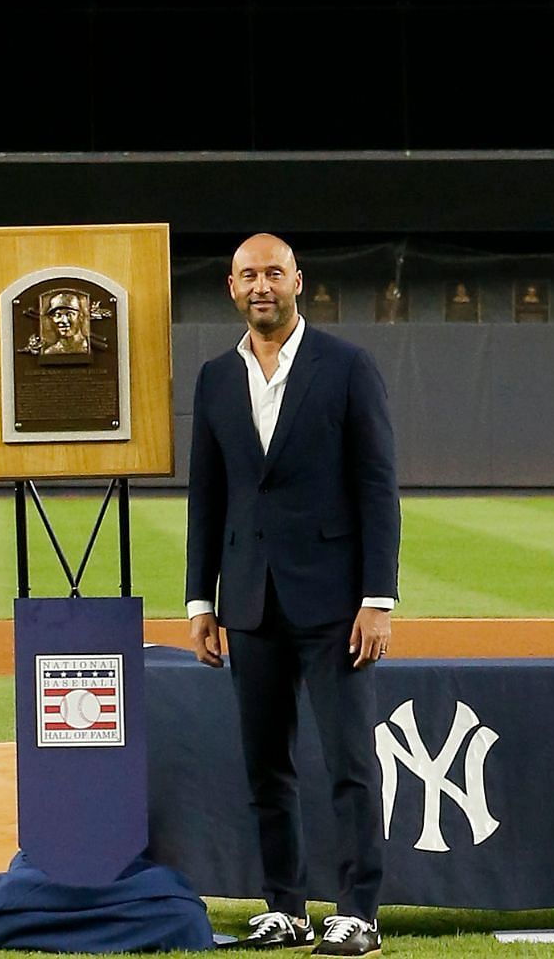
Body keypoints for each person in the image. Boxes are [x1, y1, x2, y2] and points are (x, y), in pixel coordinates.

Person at [185, 233, 399, 957]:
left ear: (299, 281)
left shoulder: (346, 368)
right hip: (248, 603)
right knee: (265, 766)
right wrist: (199, 601)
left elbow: (377, 488)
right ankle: (286, 907)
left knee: (349, 763)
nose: (262, 285)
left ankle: (359, 912)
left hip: (336, 604)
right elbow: (206, 497)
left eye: (274, 272)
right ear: (231, 288)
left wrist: (379, 597)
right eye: (249, 275)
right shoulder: (216, 376)